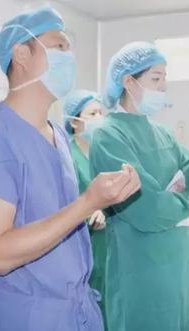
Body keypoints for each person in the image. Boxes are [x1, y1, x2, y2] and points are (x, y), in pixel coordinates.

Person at [0, 7, 140, 331]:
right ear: (21, 54)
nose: (69, 57)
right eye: (59, 46)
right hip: (30, 317)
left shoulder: (57, 135)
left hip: (77, 312)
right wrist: (88, 202)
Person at [89, 41, 189, 331]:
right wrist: (185, 200)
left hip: (182, 268)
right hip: (142, 273)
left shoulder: (162, 133)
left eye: (165, 77)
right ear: (129, 81)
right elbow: (147, 208)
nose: (163, 86)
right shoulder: (108, 136)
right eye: (155, 78)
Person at [62, 90, 108, 325]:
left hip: (111, 246)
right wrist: (90, 211)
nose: (100, 118)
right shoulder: (66, 156)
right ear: (74, 122)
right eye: (92, 113)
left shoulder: (106, 152)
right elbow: (63, 203)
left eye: (101, 112)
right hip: (83, 247)